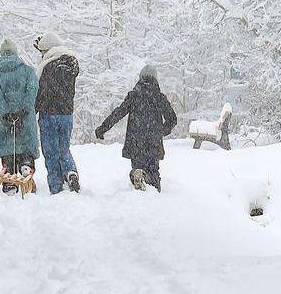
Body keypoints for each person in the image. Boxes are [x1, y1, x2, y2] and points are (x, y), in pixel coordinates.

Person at [95, 64, 177, 192]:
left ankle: (137, 174)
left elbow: (118, 113)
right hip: (153, 142)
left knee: (137, 167)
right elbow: (172, 119)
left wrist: (103, 128)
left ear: (140, 77)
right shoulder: (159, 97)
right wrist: (161, 132)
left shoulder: (134, 96)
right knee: (154, 174)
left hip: (136, 141)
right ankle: (150, 181)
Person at [0, 39, 39, 189]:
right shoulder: (28, 71)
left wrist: (6, 114)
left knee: (8, 149)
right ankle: (26, 167)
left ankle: (9, 178)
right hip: (26, 119)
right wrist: (24, 111)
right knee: (26, 147)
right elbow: (32, 91)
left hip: (6, 122)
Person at [33, 33, 81, 194]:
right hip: (67, 114)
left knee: (51, 153)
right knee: (64, 149)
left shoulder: (48, 67)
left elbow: (42, 94)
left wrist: (33, 111)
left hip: (49, 115)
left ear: (48, 50)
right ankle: (71, 172)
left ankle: (56, 188)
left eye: (42, 51)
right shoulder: (71, 64)